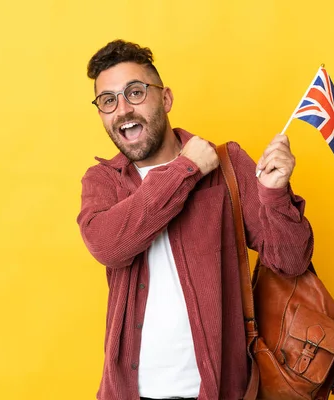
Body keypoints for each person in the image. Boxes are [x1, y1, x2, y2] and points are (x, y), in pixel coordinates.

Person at [77, 39, 314, 400]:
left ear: (166, 98)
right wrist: (186, 170)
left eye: (135, 92)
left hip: (221, 391)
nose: (122, 109)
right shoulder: (104, 181)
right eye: (108, 100)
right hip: (128, 392)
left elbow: (292, 260)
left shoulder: (227, 166)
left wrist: (274, 193)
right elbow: (109, 246)